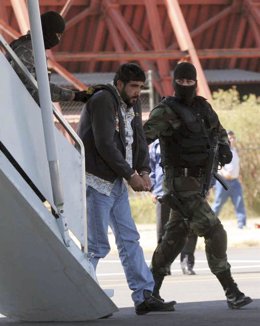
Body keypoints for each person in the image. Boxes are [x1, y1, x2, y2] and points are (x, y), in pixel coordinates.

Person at [143, 61, 252, 309]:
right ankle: (231, 291)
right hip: (178, 185)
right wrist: (141, 170)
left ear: (195, 82)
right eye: (180, 82)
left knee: (174, 239)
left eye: (189, 82)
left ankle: (149, 293)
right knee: (214, 231)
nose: (185, 85)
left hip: (198, 183)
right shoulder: (165, 111)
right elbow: (143, 137)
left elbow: (218, 130)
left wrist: (223, 146)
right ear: (174, 82)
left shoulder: (204, 108)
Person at [77, 63, 175, 315]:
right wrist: (130, 174)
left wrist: (143, 170)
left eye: (141, 87)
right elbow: (104, 143)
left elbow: (139, 139)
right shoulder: (102, 100)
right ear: (119, 83)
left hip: (116, 180)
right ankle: (77, 296)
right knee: (97, 244)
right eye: (133, 86)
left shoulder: (133, 103)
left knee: (129, 239)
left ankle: (144, 297)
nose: (137, 92)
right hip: (96, 180)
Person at [7, 11, 87, 104]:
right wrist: (75, 96)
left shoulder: (31, 48)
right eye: (57, 35)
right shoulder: (27, 49)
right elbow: (34, 88)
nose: (58, 40)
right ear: (48, 31)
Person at [149, 139, 197, 275]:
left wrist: (205, 187)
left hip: (188, 190)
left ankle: (187, 262)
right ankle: (163, 264)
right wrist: (152, 189)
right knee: (162, 230)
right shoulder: (156, 144)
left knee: (189, 228)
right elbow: (150, 167)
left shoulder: (189, 135)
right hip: (162, 191)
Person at [212, 130, 247, 229]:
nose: (232, 139)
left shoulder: (235, 151)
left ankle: (242, 224)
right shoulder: (221, 151)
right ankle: (210, 223)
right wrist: (224, 173)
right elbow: (217, 164)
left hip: (235, 182)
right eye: (230, 138)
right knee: (218, 203)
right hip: (223, 182)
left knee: (239, 202)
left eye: (233, 137)